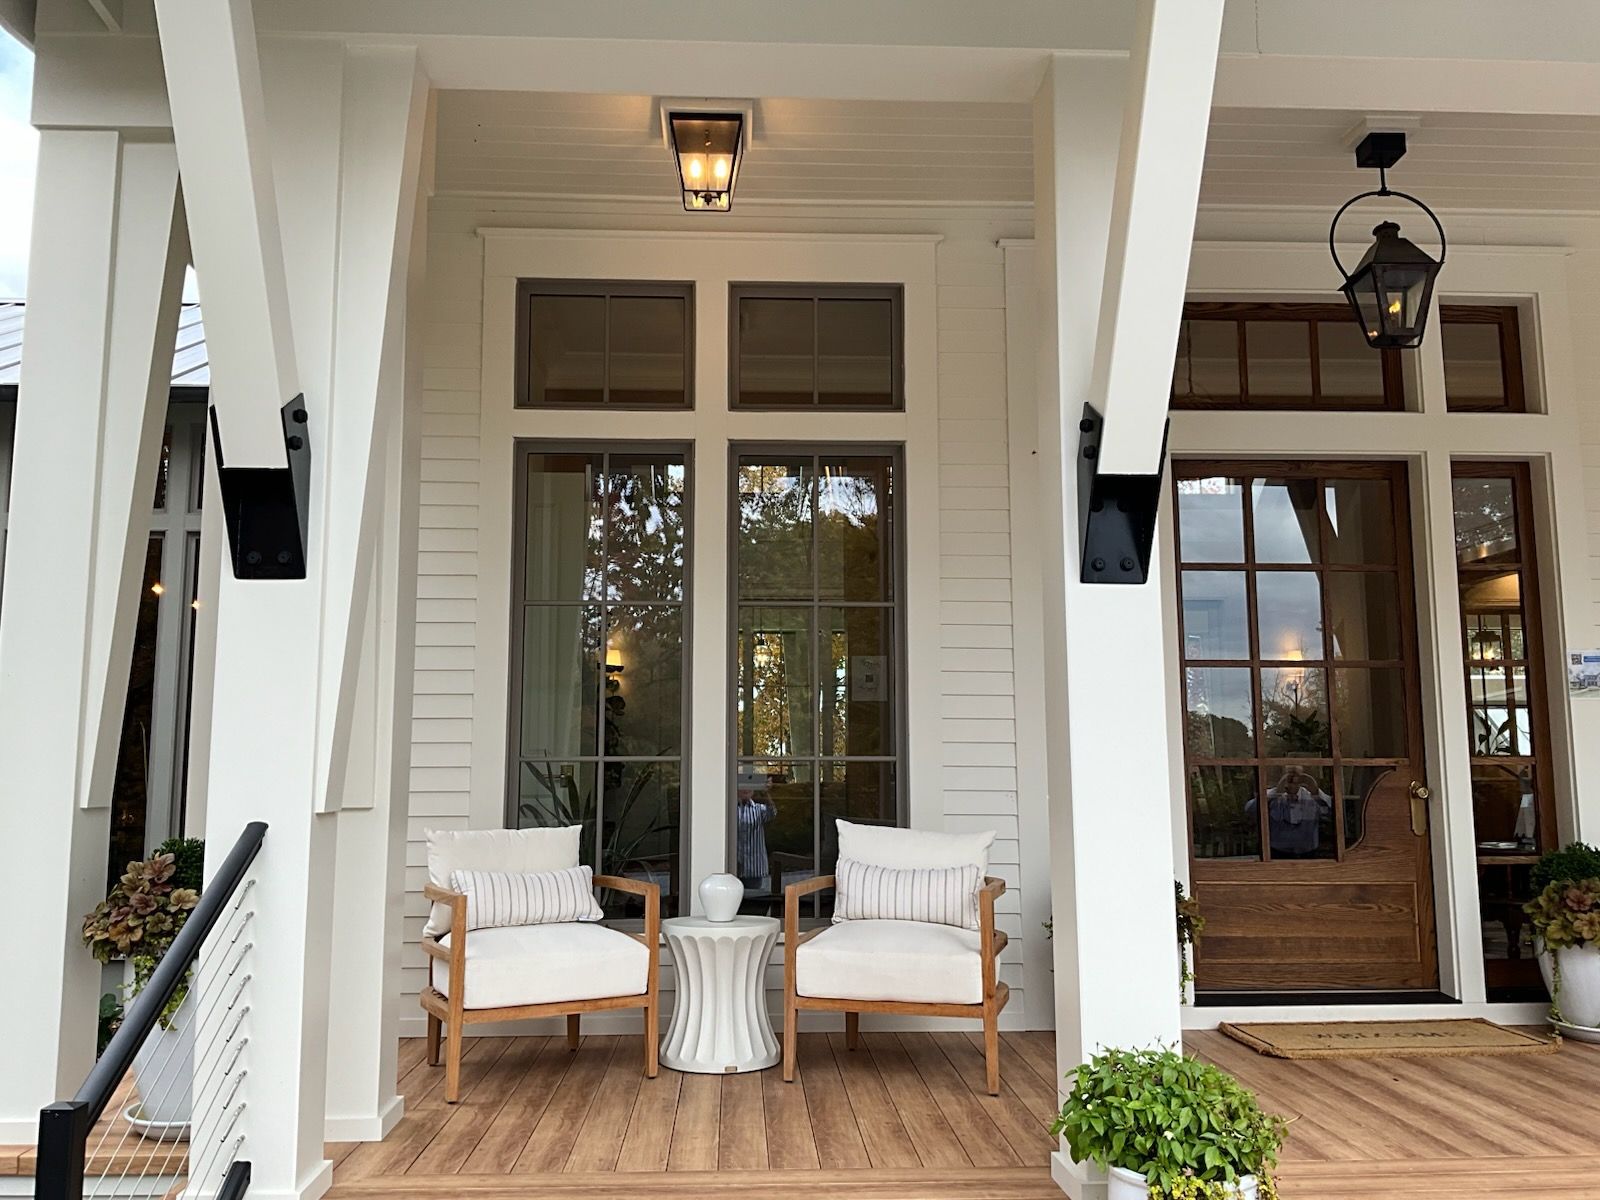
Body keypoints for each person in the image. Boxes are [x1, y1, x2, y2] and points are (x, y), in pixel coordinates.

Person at [1246, 767, 1334, 858]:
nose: (1293, 783)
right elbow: (1250, 810)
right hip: (1277, 854)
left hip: (1308, 854)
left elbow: (1333, 813)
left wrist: (1315, 791)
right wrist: (1276, 792)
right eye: (1289, 778)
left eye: (1297, 778)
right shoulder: (1271, 795)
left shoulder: (1312, 797)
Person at [734, 775, 777, 891]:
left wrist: (766, 792)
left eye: (749, 786)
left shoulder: (759, 809)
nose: (746, 789)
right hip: (733, 866)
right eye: (742, 786)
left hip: (754, 867)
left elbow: (772, 812)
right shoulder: (729, 808)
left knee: (754, 903)